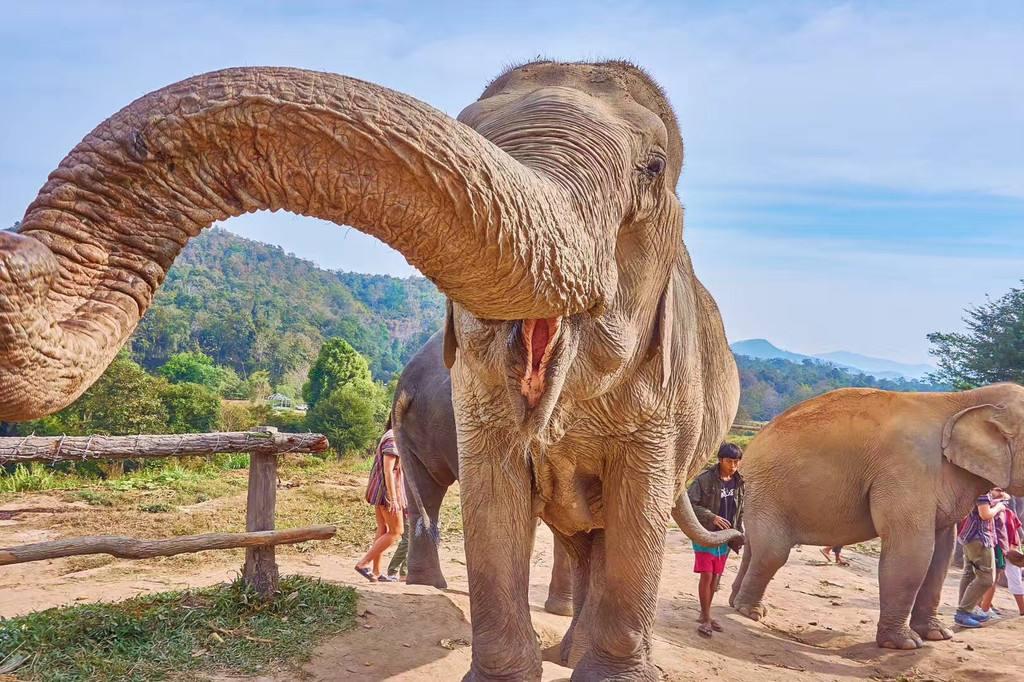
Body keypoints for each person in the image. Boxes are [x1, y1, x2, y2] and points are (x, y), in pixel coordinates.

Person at [688, 442, 744, 638]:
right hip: (706, 534)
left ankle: (707, 614)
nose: (733, 466)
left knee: (716, 578)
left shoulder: (739, 481)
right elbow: (689, 504)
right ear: (720, 460)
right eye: (729, 461)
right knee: (707, 575)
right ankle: (704, 618)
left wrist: (738, 533)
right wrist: (711, 517)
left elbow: (739, 509)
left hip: (726, 538)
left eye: (737, 462)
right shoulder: (704, 480)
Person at [355, 420, 407, 582]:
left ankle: (376, 572)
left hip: (379, 490)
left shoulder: (390, 435)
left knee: (383, 528)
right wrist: (393, 498)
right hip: (387, 492)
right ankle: (363, 563)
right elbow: (388, 470)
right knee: (396, 531)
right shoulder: (393, 438)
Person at [955, 488, 1007, 628]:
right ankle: (963, 612)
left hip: (970, 538)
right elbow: (984, 514)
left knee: (969, 574)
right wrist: (999, 507)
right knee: (986, 578)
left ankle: (965, 610)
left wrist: (996, 498)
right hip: (980, 538)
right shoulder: (983, 490)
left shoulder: (978, 488)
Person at [979, 490, 1024, 618]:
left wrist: (1014, 547)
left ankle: (984, 607)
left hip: (1006, 549)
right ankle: (985, 608)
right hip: (998, 548)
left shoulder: (1006, 513)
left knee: (1001, 578)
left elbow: (1014, 532)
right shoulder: (992, 513)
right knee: (992, 578)